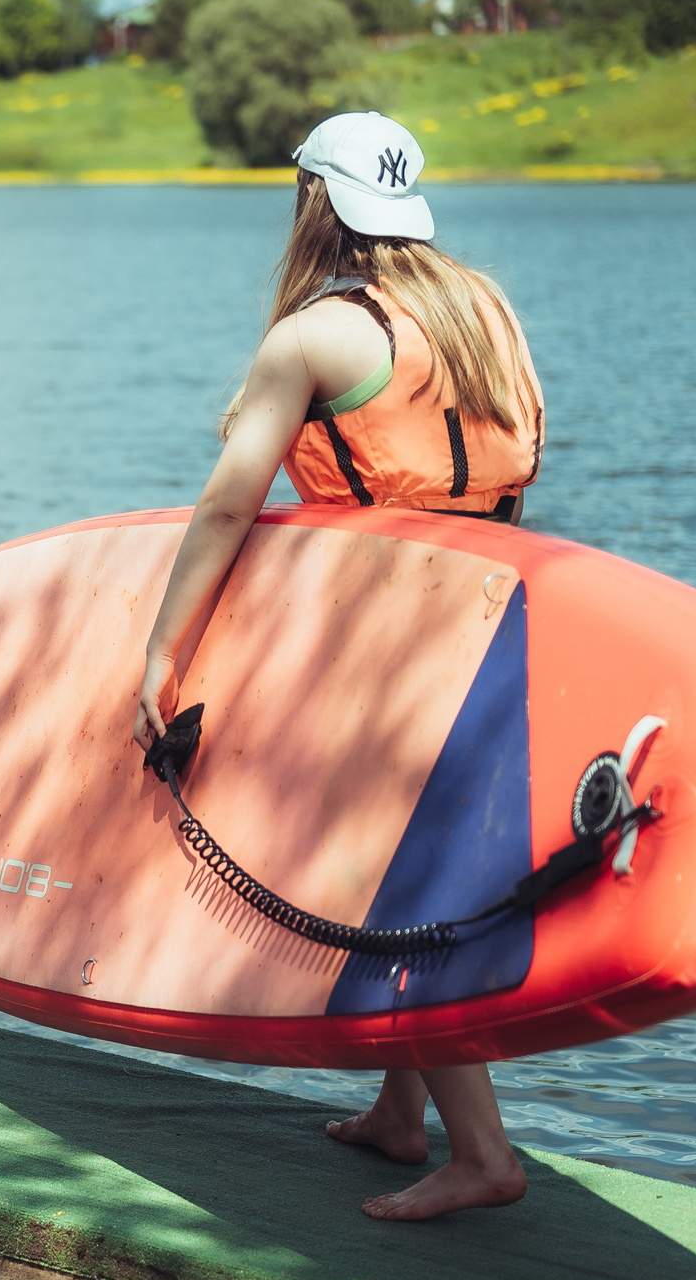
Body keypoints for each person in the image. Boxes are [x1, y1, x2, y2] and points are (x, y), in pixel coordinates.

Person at [132, 112, 547, 1223]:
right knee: (430, 872)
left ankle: (481, 1154)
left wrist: (163, 652)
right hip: (493, 617)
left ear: (315, 201)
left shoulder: (317, 335)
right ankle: (399, 1113)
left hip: (384, 640)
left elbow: (230, 501)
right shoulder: (484, 309)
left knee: (393, 884)